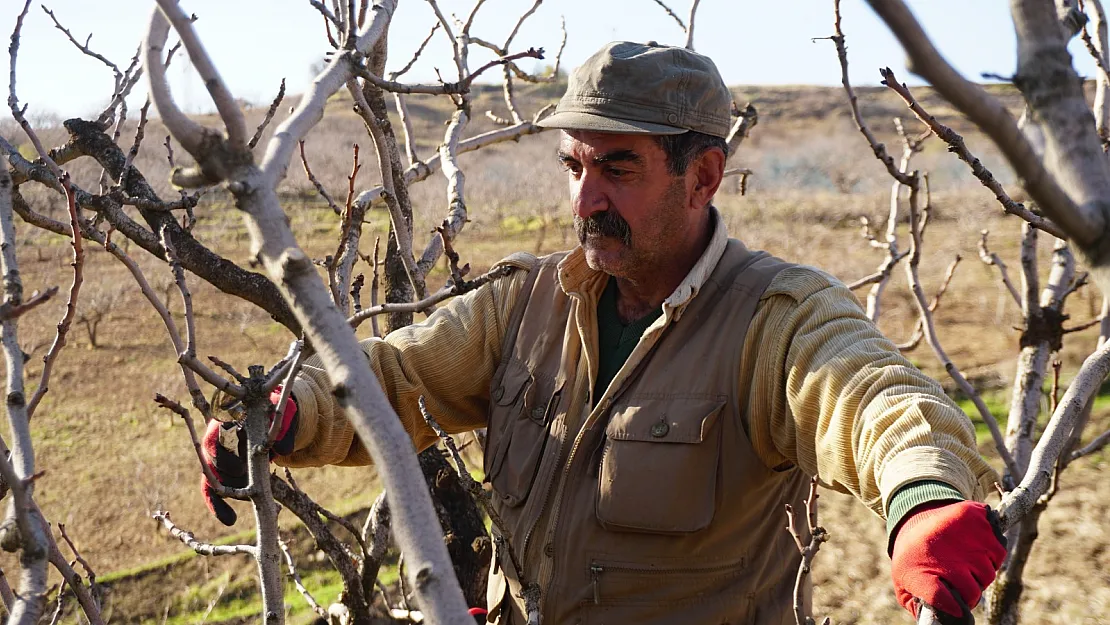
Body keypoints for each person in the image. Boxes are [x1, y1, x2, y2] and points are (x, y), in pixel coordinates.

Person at [201, 41, 1006, 624]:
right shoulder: (523, 302)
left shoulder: (773, 319)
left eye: (617, 168)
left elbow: (875, 403)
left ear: (703, 176)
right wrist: (285, 413)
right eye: (574, 167)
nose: (585, 199)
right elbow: (391, 379)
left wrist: (922, 501)